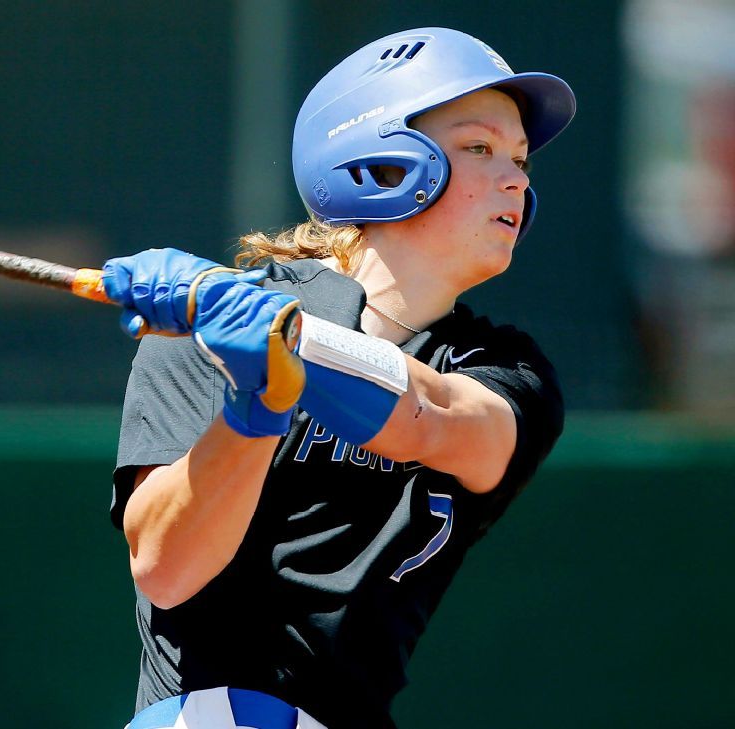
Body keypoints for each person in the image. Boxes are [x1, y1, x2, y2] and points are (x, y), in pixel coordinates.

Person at [99, 27, 576, 729]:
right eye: (479, 147)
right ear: (380, 162)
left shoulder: (507, 369)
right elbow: (167, 569)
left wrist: (283, 341)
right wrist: (256, 407)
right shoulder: (212, 330)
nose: (517, 179)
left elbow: (431, 415)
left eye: (520, 159)